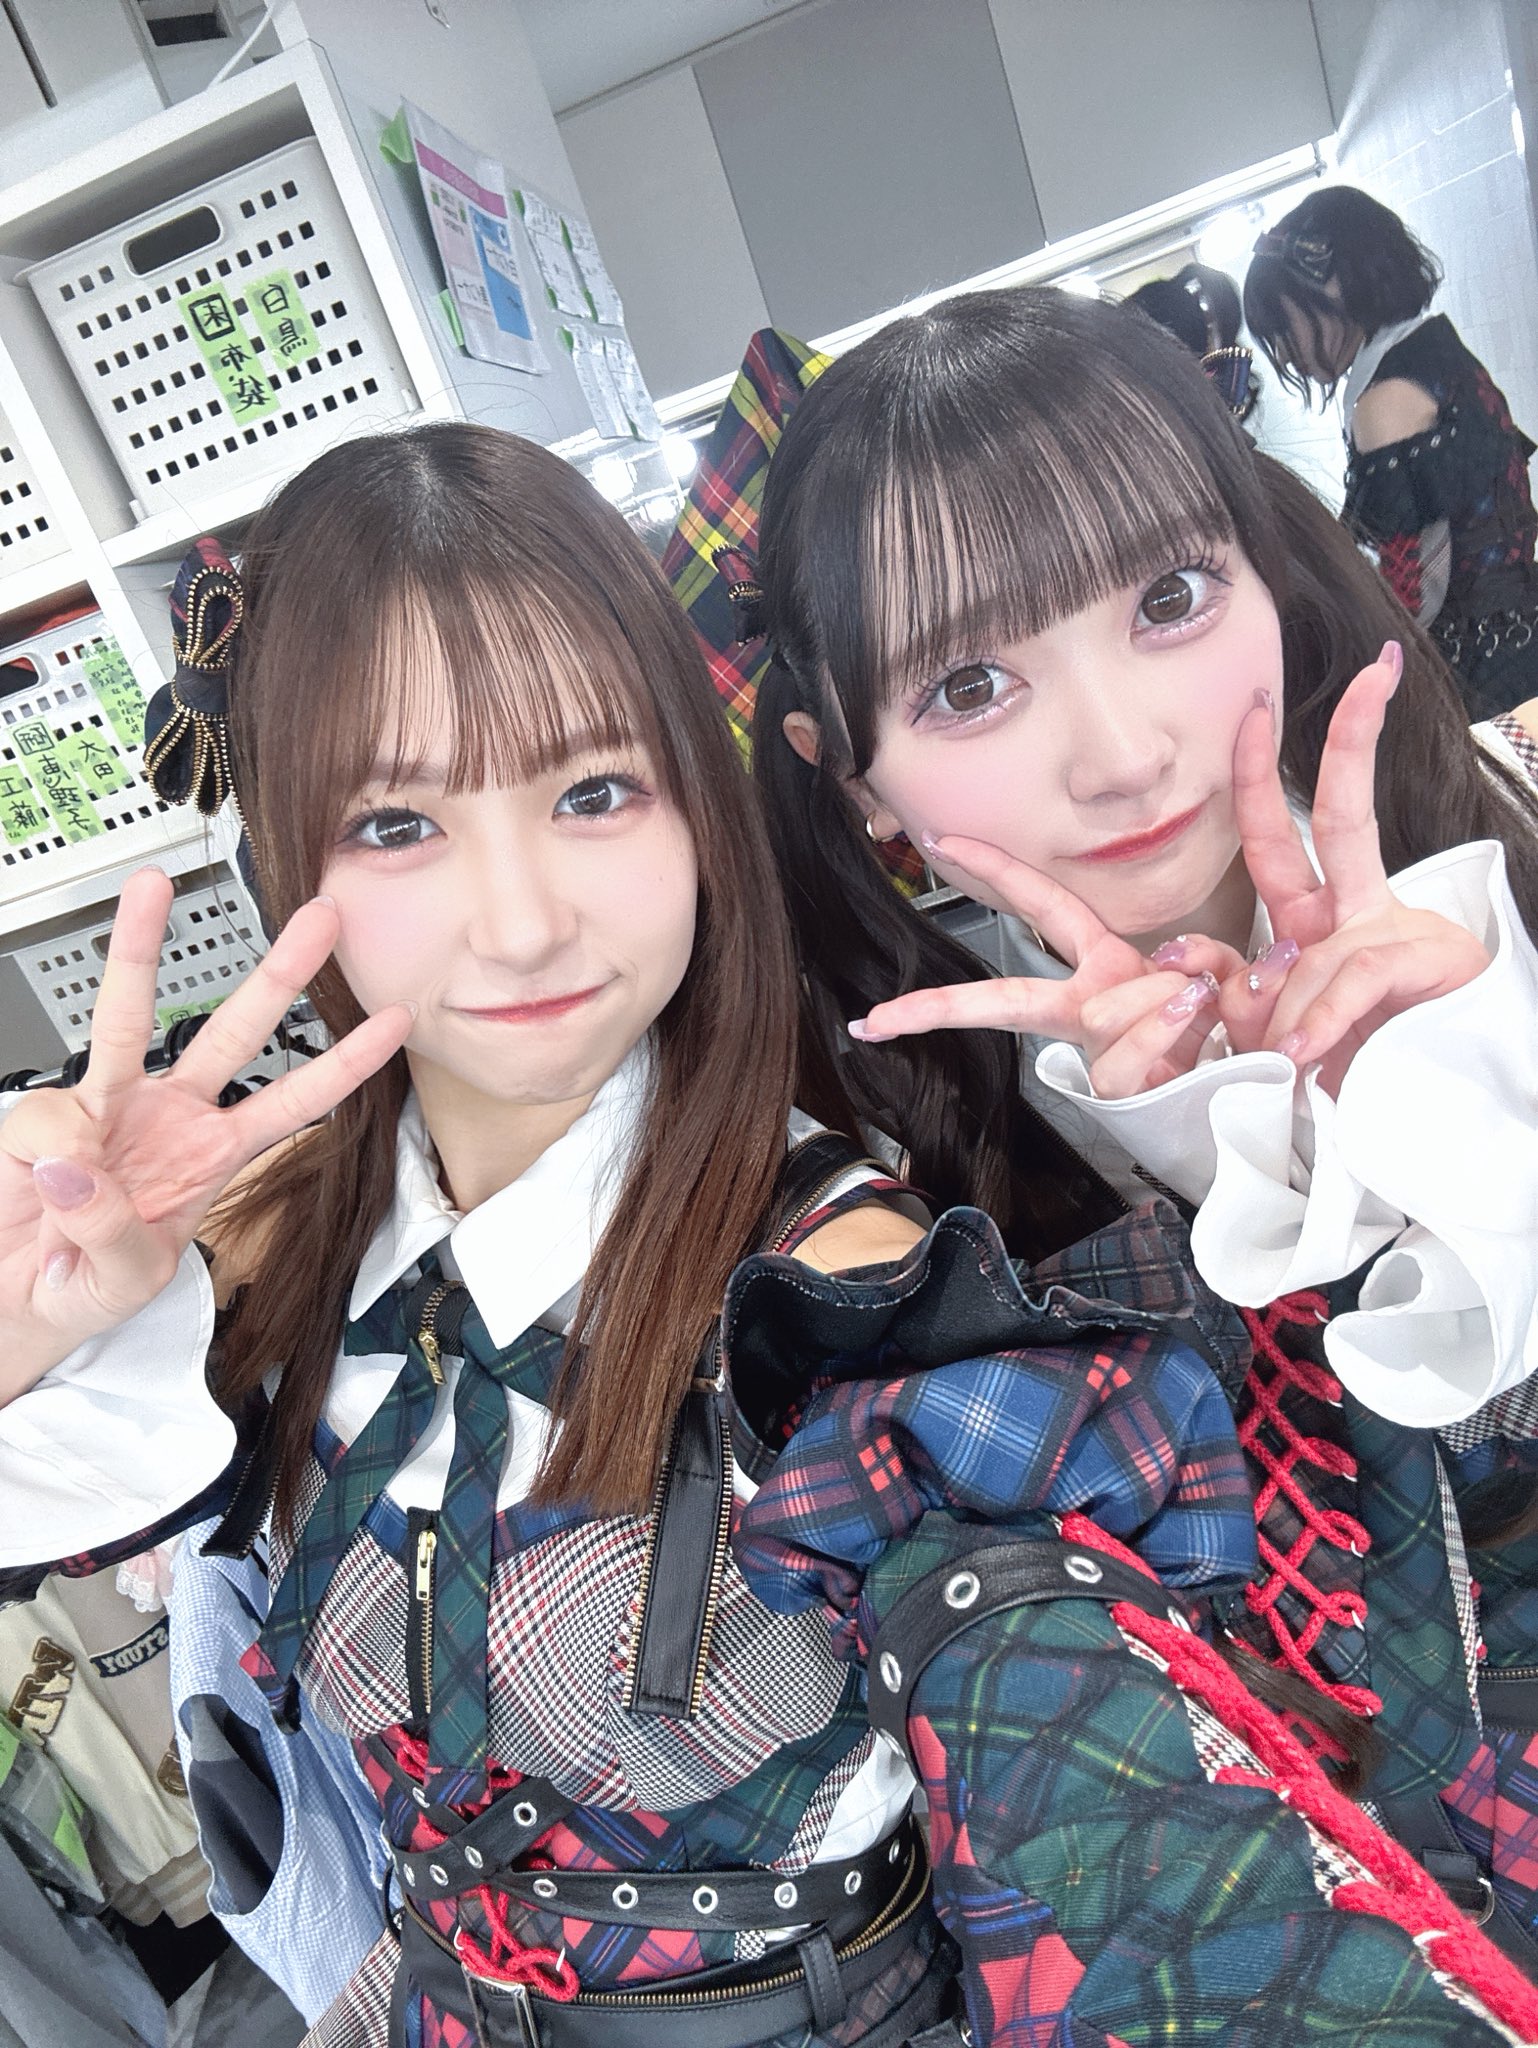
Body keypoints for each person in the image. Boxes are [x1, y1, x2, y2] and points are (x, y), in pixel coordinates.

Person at [3, 422, 1533, 2048]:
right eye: (397, 824)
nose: (520, 919)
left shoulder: (848, 1309)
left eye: (593, 791)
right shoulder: (260, 1246)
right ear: (279, 850)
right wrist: (32, 1335)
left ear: (697, 808)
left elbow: (1149, 1862)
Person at [751, 283, 1538, 1976]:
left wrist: (1458, 1086)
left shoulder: (1506, 860)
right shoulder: (881, 1171)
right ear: (853, 776)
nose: (1120, 753)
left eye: (1168, 598)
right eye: (970, 685)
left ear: (1263, 563)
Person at [1245, 184, 1538, 719]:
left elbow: (1415, 590)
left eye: (1283, 326)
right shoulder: (1438, 352)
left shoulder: (1384, 402)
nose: (1284, 353)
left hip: (1479, 679)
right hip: (1520, 639)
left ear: (1334, 286)